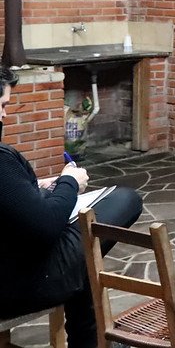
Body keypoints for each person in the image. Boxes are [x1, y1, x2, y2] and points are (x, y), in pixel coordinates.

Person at [0, 66, 143, 348]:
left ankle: (90, 341)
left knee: (85, 251)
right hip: (17, 284)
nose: (5, 115)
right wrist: (69, 182)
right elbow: (46, 227)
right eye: (3, 105)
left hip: (12, 266)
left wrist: (33, 188)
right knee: (122, 202)